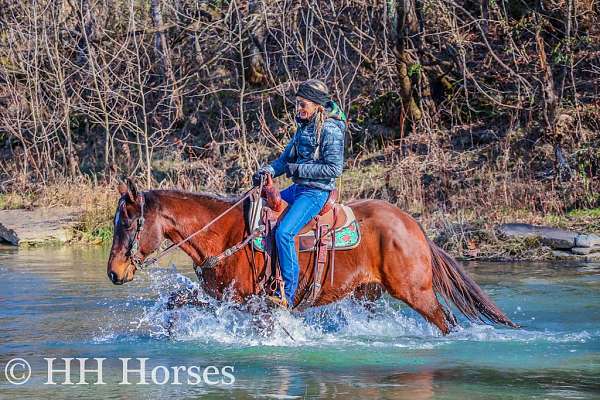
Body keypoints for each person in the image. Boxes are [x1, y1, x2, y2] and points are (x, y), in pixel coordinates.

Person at [252, 79, 347, 308]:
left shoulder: (331, 130)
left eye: (303, 104)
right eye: (297, 104)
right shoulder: (304, 127)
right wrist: (268, 170)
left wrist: (297, 169)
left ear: (316, 105)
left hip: (316, 193)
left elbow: (334, 169)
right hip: (298, 188)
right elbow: (285, 160)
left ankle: (288, 295)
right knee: (258, 215)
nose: (299, 109)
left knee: (284, 232)